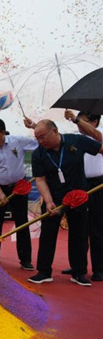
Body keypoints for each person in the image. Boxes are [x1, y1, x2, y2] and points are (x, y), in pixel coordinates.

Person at [27, 119, 103, 287]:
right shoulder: (38, 153)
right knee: (47, 234)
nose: (40, 141)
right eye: (37, 138)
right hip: (53, 199)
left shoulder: (77, 141)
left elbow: (100, 148)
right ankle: (44, 272)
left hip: (78, 196)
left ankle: (78, 272)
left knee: (79, 235)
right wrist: (48, 201)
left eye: (43, 137)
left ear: (55, 131)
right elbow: (40, 180)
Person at [0, 118, 37, 269]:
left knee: (22, 223)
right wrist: (0, 193)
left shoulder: (17, 141)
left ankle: (25, 259)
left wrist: (34, 126)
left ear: (2, 132)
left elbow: (39, 142)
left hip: (19, 187)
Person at [63, 110, 103, 281]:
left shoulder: (99, 134)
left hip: (98, 185)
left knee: (97, 228)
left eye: (83, 121)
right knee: (77, 227)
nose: (78, 124)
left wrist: (76, 119)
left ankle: (99, 268)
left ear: (94, 122)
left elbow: (97, 136)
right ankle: (77, 266)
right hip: (80, 184)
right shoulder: (76, 138)